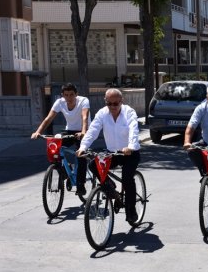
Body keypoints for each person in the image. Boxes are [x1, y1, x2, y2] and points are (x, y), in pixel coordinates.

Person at [77, 88, 141, 224]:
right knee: (93, 164)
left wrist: (130, 146)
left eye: (115, 104)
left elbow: (133, 130)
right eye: (109, 103)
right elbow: (92, 131)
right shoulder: (102, 113)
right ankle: (109, 186)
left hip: (130, 152)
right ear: (105, 102)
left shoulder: (129, 112)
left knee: (127, 179)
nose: (112, 107)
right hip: (113, 152)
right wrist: (83, 147)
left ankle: (131, 210)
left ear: (121, 101)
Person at [32, 82, 90, 196]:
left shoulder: (83, 101)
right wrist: (38, 132)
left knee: (81, 154)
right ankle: (62, 170)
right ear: (62, 95)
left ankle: (80, 184)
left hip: (84, 130)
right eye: (66, 95)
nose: (69, 98)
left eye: (71, 94)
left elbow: (85, 117)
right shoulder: (60, 102)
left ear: (76, 94)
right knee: (55, 145)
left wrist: (83, 132)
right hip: (69, 130)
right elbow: (48, 119)